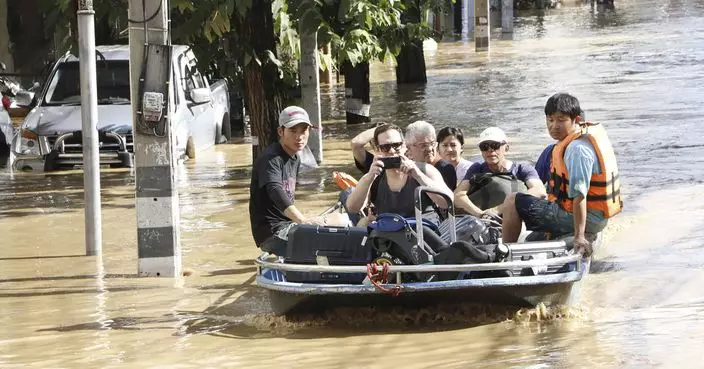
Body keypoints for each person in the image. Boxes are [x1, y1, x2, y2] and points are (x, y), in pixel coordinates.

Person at [501, 93, 623, 256]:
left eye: (561, 120)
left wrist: (579, 237)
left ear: (577, 120)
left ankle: (502, 255)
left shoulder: (576, 149)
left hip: (582, 217)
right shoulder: (577, 141)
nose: (554, 126)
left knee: (512, 201)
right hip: (595, 217)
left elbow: (580, 195)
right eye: (550, 120)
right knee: (531, 238)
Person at [249, 106, 344, 256]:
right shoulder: (271, 159)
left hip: (289, 224)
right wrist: (303, 221)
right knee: (331, 246)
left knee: (340, 219)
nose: (299, 137)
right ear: (281, 132)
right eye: (293, 131)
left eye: (303, 131)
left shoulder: (295, 157)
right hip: (272, 232)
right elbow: (275, 190)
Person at [345, 123, 452, 225]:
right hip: (389, 236)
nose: (391, 151)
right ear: (377, 150)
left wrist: (417, 175)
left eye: (396, 145)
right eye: (385, 148)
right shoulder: (373, 176)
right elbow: (353, 208)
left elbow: (448, 201)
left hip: (424, 235)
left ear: (404, 146)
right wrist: (369, 177)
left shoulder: (425, 170)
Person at [454, 127, 545, 218]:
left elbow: (539, 191)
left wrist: (498, 210)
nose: (490, 150)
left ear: (506, 148)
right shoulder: (477, 169)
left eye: (495, 145)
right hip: (483, 220)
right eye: (484, 146)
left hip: (515, 220)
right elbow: (459, 195)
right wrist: (481, 214)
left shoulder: (522, 169)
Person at [405, 121, 458, 191]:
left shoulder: (445, 169)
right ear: (409, 149)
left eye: (432, 143)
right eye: (423, 145)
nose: (430, 149)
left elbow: (443, 199)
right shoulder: (403, 168)